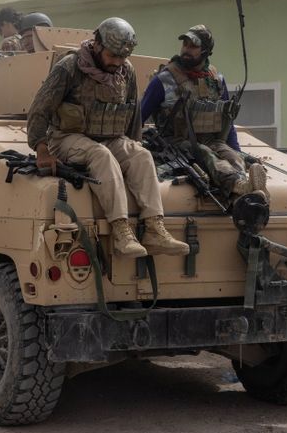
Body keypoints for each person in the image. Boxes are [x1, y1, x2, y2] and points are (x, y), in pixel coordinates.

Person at [27, 17, 190, 258]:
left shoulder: (126, 71)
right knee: (100, 155)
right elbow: (40, 108)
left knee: (141, 155)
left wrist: (133, 145)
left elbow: (133, 114)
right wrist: (42, 149)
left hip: (110, 137)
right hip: (68, 137)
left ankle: (154, 229)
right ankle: (121, 232)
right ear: (97, 45)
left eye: (122, 57)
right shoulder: (70, 67)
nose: (117, 62)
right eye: (112, 56)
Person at [140, 25, 268, 199]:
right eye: (185, 44)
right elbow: (139, 116)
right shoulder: (164, 80)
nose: (186, 49)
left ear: (206, 51)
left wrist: (237, 150)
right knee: (205, 154)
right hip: (176, 142)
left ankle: (247, 191)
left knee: (233, 157)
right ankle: (238, 185)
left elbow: (226, 120)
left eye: (193, 46)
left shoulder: (216, 80)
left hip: (211, 140)